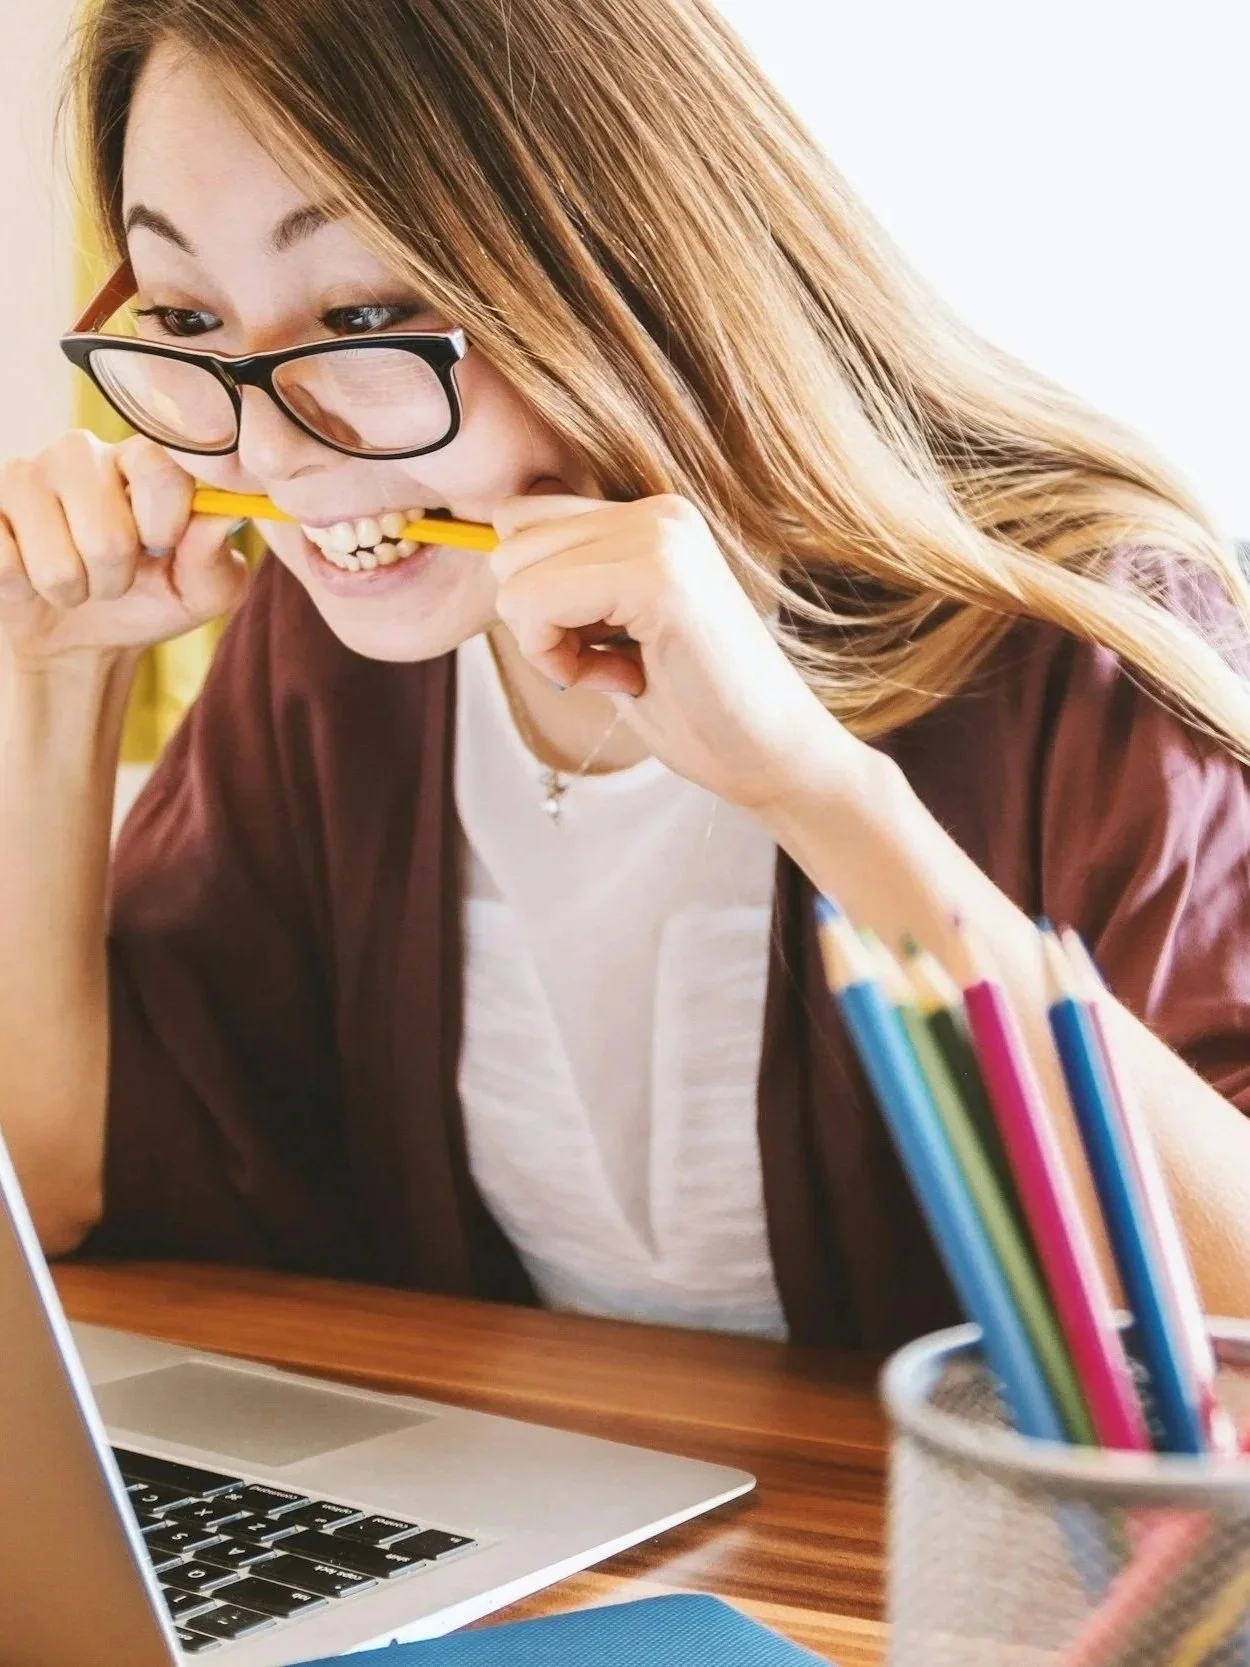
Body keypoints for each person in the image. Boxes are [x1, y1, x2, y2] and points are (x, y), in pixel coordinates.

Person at [2, 0, 1249, 1351]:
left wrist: (809, 785)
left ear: (624, 260)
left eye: (362, 309)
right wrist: (49, 683)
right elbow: (62, 1186)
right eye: (188, 315)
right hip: (561, 1527)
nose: (275, 452)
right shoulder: (336, 649)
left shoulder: (1076, 636)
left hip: (972, 1566)